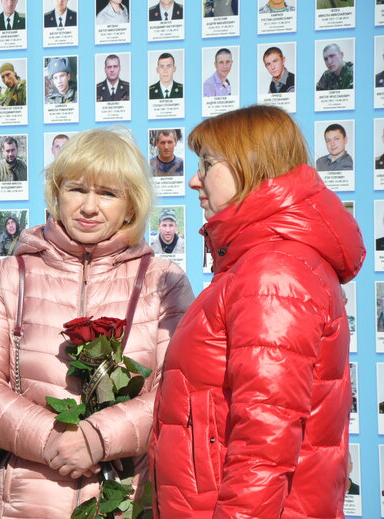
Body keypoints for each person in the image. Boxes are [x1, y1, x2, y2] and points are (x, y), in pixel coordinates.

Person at [151, 105, 366, 518]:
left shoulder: (273, 275)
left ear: (250, 166)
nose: (195, 178)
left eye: (208, 163)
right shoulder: (260, 264)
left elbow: (263, 447)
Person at [0, 128, 193, 517]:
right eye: (77, 189)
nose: (89, 207)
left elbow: (177, 393)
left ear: (130, 206)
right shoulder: (10, 275)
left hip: (126, 500)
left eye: (107, 193)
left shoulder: (163, 281)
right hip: (25, 503)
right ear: (57, 194)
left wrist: (97, 438)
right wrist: (49, 438)